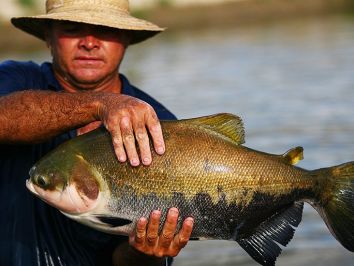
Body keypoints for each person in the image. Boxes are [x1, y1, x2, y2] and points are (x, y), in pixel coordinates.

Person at [0, 0, 194, 265]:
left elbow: (125, 260)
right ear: (48, 34)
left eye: (105, 29)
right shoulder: (16, 81)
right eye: (72, 27)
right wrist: (97, 104)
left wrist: (144, 251)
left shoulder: (161, 126)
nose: (89, 42)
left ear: (126, 37)